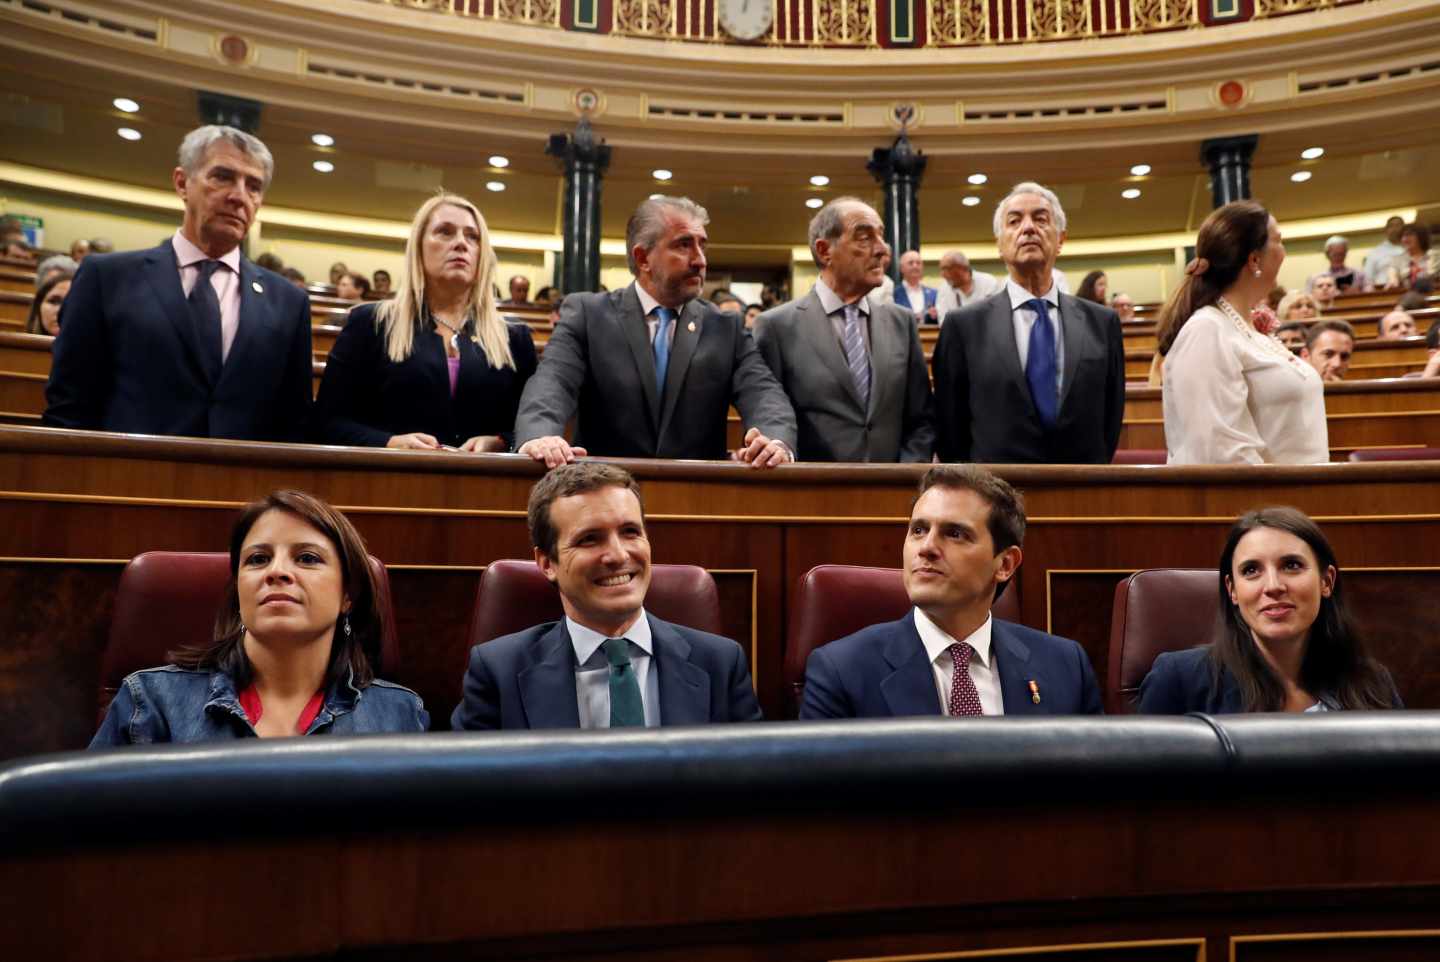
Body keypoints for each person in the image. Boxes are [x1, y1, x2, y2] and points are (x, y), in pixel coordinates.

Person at [91, 490, 429, 745]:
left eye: (308, 558)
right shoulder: (150, 701)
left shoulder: (398, 713)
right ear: (238, 591)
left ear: (347, 596)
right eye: (258, 559)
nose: (277, 572)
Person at [43, 125, 312, 441]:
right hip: (125, 482)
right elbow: (69, 406)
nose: (239, 196)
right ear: (182, 183)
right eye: (222, 176)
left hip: (243, 485)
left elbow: (294, 422)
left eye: (253, 186)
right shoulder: (107, 278)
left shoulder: (289, 302)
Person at [452, 463, 763, 730]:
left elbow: (754, 791)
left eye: (630, 532)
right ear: (547, 563)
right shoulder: (497, 672)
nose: (617, 555)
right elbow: (469, 794)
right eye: (589, 539)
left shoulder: (720, 664)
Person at [800, 464, 1102, 719]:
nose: (927, 547)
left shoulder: (1065, 666)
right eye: (918, 530)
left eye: (955, 534)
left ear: (1005, 564)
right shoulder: (842, 671)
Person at [514, 196, 796, 468]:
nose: (700, 260)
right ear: (642, 258)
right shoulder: (589, 315)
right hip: (602, 494)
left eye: (702, 246)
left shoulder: (725, 326)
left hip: (697, 495)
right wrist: (539, 435)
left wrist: (775, 442)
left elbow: (763, 394)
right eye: (684, 245)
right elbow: (552, 383)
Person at [314, 193, 536, 452]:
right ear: (418, 246)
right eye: (445, 232)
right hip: (388, 481)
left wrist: (501, 442)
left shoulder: (514, 337)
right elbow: (327, 422)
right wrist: (389, 442)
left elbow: (535, 427)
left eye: (472, 237)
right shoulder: (372, 323)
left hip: (488, 485)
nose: (461, 244)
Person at [932, 181, 1125, 464]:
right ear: (999, 245)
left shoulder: (1102, 323)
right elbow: (950, 428)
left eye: (1040, 218)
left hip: (1081, 487)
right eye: (1014, 221)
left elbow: (1110, 416)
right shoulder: (963, 326)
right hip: (994, 492)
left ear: (1061, 239)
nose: (1028, 228)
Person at [1138, 507, 1400, 714]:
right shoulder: (1179, 680)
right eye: (1251, 571)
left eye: (1292, 565)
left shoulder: (1371, 682)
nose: (1273, 586)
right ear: (1232, 591)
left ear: (1326, 581)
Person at [753, 197, 934, 463]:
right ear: (825, 250)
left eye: (882, 236)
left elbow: (921, 419)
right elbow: (770, 413)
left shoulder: (902, 322)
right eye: (864, 238)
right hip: (814, 493)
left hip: (896, 493)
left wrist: (905, 476)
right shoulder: (776, 327)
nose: (883, 249)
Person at [1158, 200, 1326, 465]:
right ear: (1254, 259)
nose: (1284, 251)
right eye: (1279, 241)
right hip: (1270, 501)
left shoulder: (1248, 329)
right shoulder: (1207, 330)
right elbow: (1223, 452)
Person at [935, 250, 999, 319]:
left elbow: (994, 315)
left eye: (946, 269)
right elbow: (944, 322)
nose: (942, 275)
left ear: (962, 268)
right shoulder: (943, 289)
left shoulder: (988, 282)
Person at [893, 250, 938, 323]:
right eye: (911, 263)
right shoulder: (893, 294)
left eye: (918, 263)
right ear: (901, 268)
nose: (915, 266)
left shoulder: (935, 294)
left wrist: (936, 315)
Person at [1390, 223, 1440, 289]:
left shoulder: (1436, 256)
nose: (1404, 240)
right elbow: (1392, 277)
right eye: (1402, 237)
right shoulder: (1397, 260)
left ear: (1421, 236)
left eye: (1409, 235)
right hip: (1409, 296)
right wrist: (1393, 280)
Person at [1362, 216, 1406, 288]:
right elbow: (1367, 278)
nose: (1395, 229)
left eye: (1398, 225)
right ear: (1386, 230)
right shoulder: (1375, 252)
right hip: (1383, 291)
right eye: (1391, 226)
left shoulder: (1410, 249)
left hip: (1407, 290)